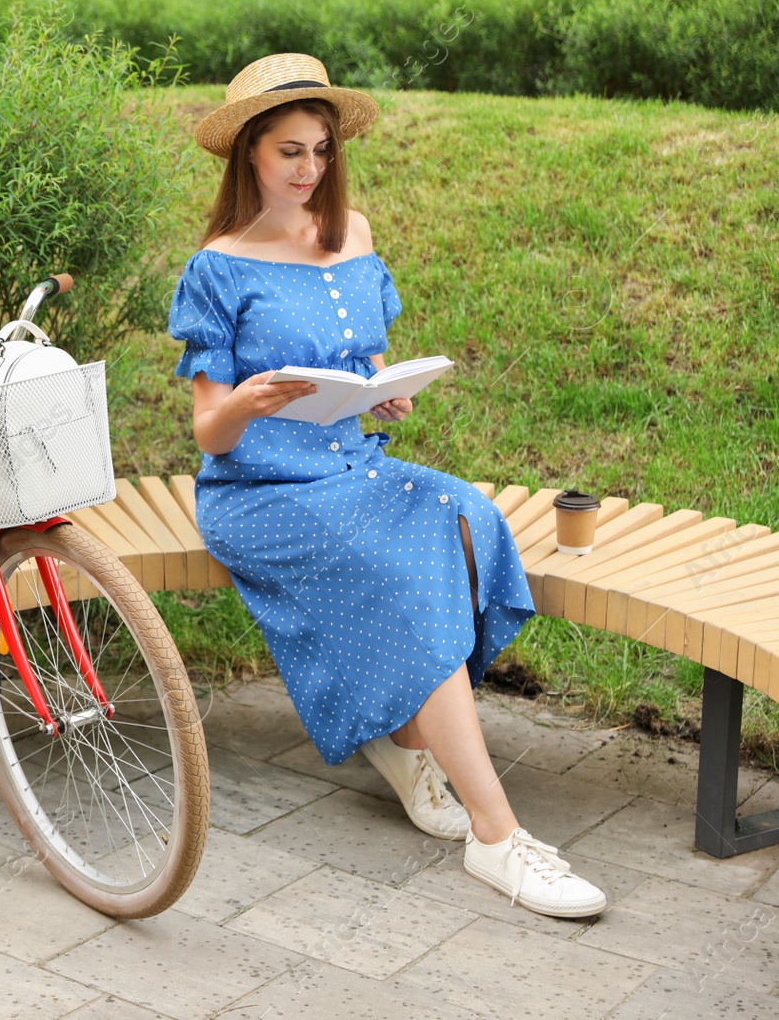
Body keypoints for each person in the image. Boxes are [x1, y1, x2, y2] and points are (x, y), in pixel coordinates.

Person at [171, 53, 607, 919]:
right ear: (248, 155)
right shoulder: (217, 267)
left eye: (321, 151)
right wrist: (250, 399)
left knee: (468, 515)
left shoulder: (353, 235)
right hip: (260, 490)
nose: (308, 170)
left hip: (351, 463)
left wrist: (385, 385)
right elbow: (209, 431)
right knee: (401, 577)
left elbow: (361, 355)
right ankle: (498, 835)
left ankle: (408, 738)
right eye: (289, 151)